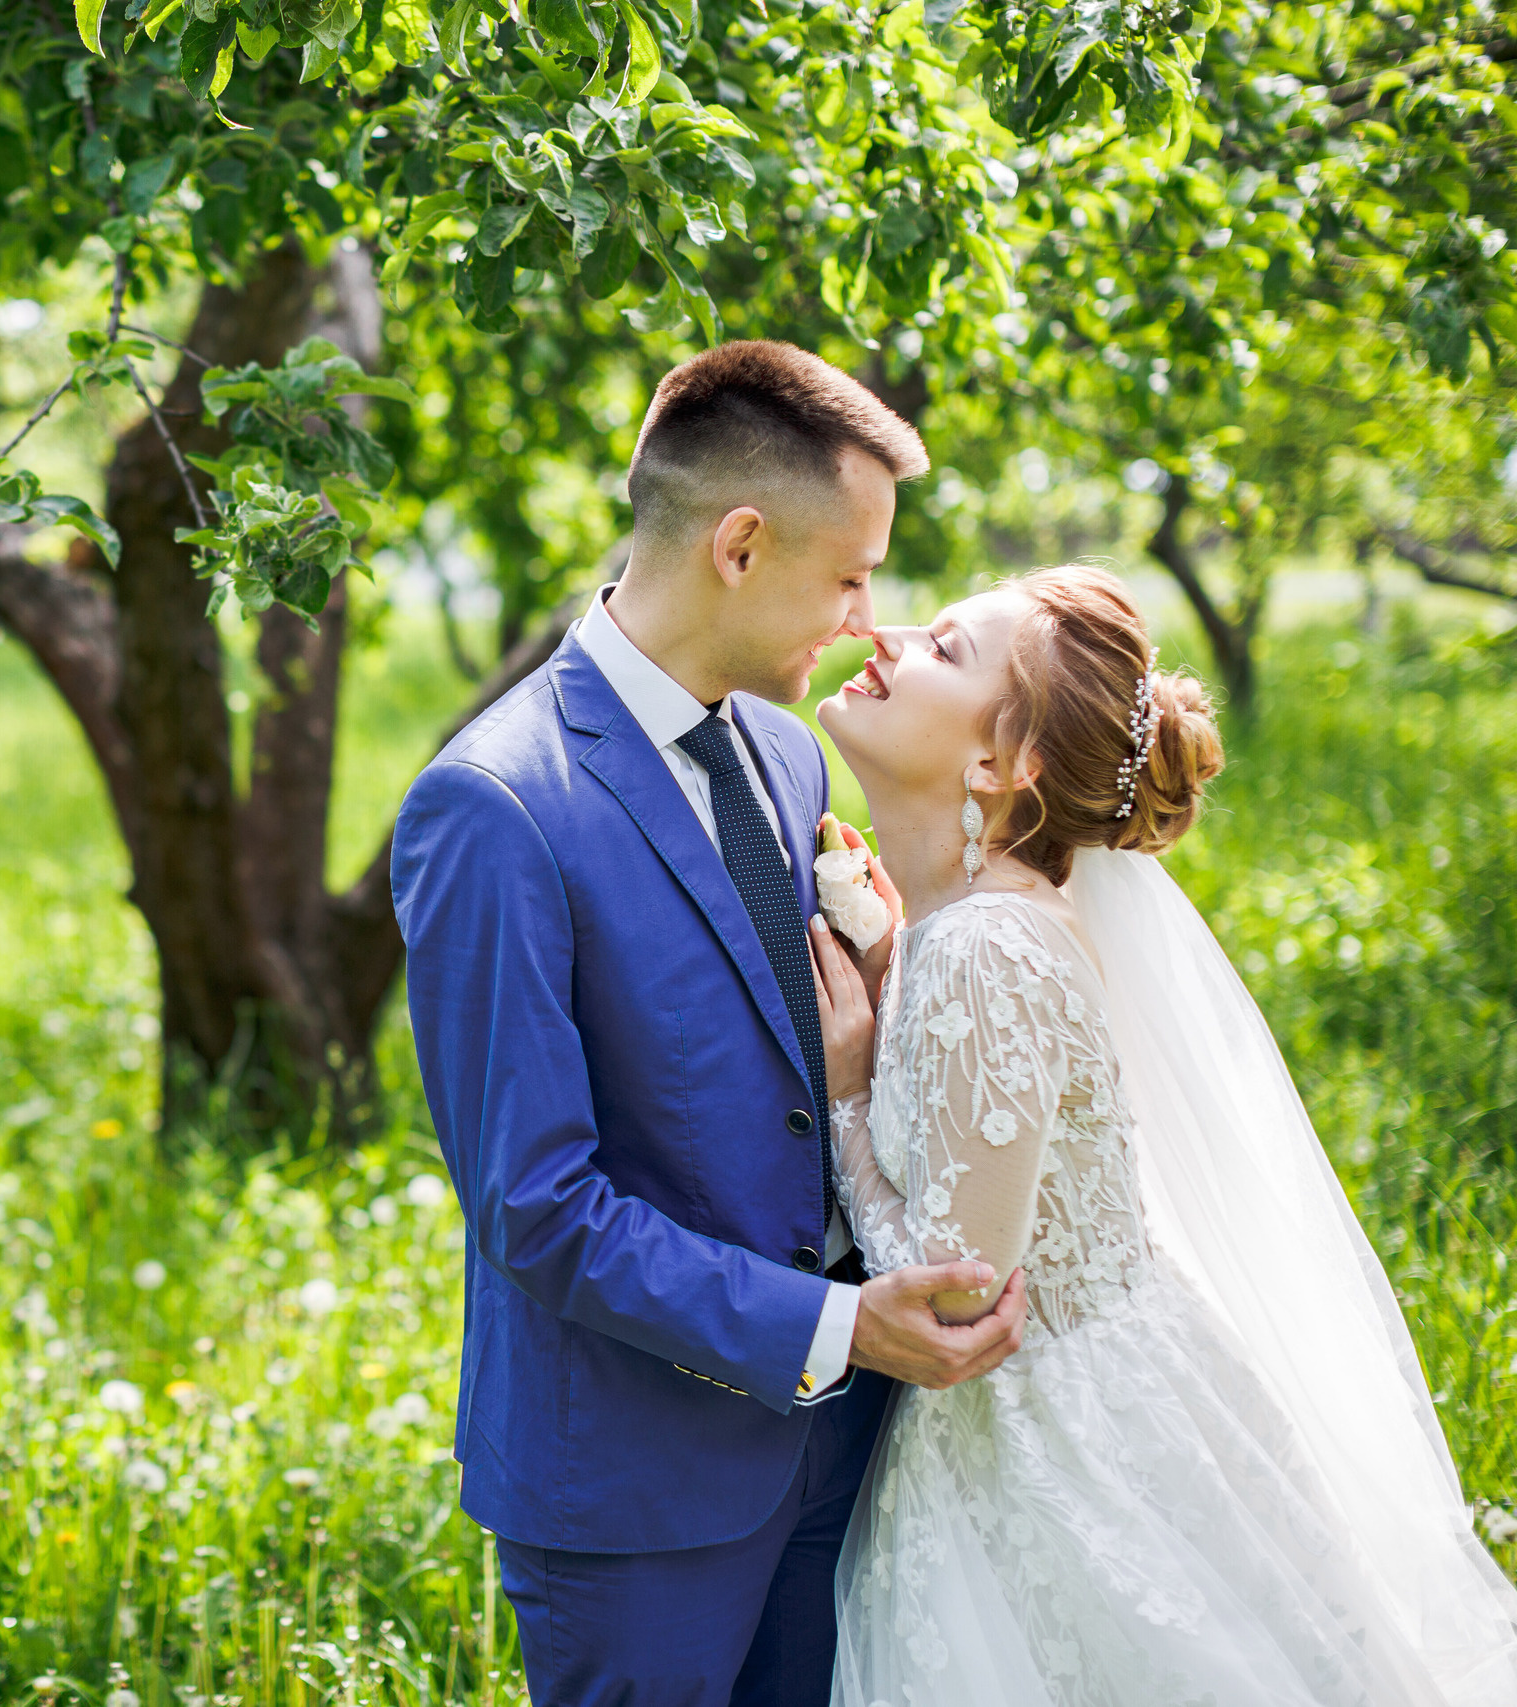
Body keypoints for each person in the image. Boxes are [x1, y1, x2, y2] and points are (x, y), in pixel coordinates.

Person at [391, 341, 1028, 1707]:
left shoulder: (788, 749)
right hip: (637, 1493)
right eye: (849, 574)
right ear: (741, 542)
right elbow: (538, 1211)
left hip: (847, 1452)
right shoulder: (497, 807)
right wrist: (840, 1324)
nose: (869, 618)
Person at [809, 562, 1517, 1704]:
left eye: (941, 649)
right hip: (1122, 1391)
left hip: (1060, 1455)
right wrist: (890, 966)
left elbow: (953, 1297)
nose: (882, 637)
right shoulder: (983, 926)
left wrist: (848, 1089)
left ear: (999, 766)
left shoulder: (985, 950)